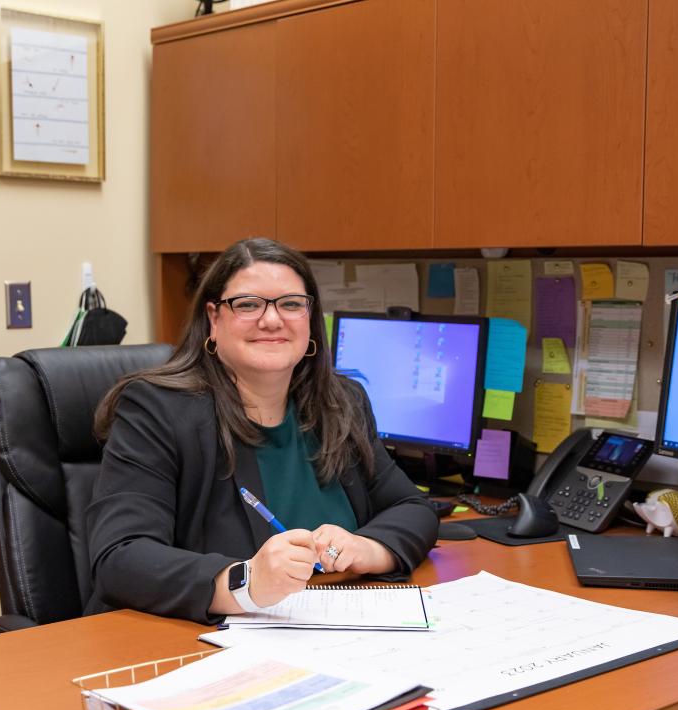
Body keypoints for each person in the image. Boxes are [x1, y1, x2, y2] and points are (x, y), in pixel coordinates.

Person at [86, 238, 438, 623]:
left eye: (290, 304)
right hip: (196, 646)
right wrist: (246, 582)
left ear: (310, 319)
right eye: (248, 305)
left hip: (334, 634)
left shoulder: (341, 403)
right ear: (214, 320)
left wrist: (367, 548)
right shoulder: (157, 410)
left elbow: (413, 508)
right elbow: (121, 556)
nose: (272, 320)